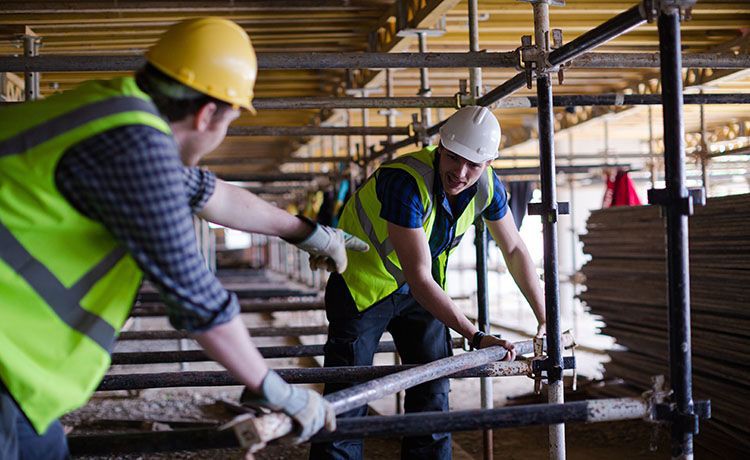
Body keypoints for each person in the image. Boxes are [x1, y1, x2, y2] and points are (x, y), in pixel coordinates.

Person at [0, 18, 367, 460]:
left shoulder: (114, 112)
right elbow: (195, 295)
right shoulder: (135, 147)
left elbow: (213, 194)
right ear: (207, 113)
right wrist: (276, 389)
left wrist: (308, 233)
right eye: (231, 117)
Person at [309, 106, 546, 460]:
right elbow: (419, 276)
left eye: (474, 164)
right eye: (453, 158)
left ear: (487, 164)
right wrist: (476, 335)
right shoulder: (404, 180)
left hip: (420, 293)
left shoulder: (489, 186)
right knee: (348, 397)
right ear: (440, 146)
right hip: (362, 287)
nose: (461, 172)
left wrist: (546, 318)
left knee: (433, 392)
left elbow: (514, 249)